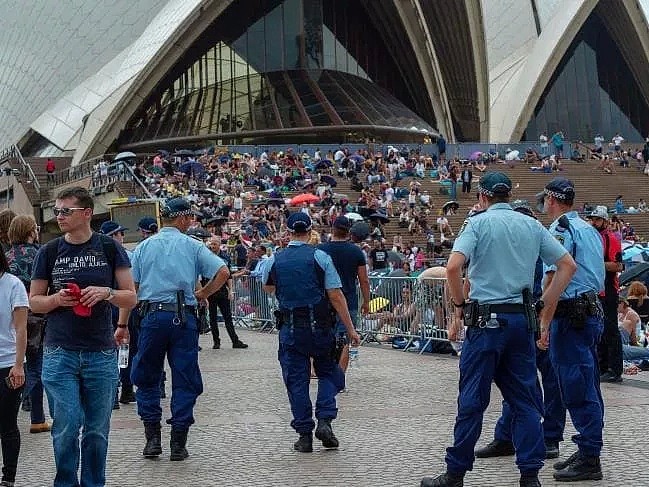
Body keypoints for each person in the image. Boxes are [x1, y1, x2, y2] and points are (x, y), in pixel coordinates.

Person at [421, 172, 576, 487]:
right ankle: (530, 475)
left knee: (472, 400)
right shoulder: (531, 224)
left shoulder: (477, 223)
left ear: (482, 197)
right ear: (507, 196)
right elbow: (567, 266)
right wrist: (544, 304)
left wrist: (460, 306)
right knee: (525, 401)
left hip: (486, 322)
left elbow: (453, 267)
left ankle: (455, 474)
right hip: (521, 321)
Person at [29, 186, 137, 487]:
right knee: (67, 425)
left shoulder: (108, 248)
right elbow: (33, 301)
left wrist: (107, 293)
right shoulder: (49, 251)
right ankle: (65, 483)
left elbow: (131, 297)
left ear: (86, 213)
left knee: (96, 430)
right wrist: (55, 301)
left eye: (66, 211)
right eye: (57, 210)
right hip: (59, 351)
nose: (59, 216)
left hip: (100, 352)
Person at [130, 197, 230, 461]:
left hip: (151, 315)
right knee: (185, 378)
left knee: (147, 376)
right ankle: (178, 442)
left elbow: (134, 286)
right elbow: (223, 271)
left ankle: (152, 439)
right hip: (182, 317)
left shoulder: (143, 247)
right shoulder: (192, 245)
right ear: (183, 218)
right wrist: (202, 293)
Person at [474, 200, 566, 462]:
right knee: (517, 382)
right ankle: (509, 436)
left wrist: (544, 321)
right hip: (525, 319)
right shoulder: (530, 245)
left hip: (536, 317)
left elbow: (552, 280)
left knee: (545, 381)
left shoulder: (536, 244)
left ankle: (548, 437)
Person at [262, 212, 360, 453]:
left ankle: (304, 435)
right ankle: (325, 419)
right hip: (321, 327)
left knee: (296, 380)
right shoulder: (320, 257)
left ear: (288, 231)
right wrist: (350, 329)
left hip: (291, 329)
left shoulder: (275, 259)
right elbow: (336, 296)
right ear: (310, 230)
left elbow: (268, 286)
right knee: (328, 372)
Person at [537, 177, 606, 482]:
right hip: (591, 311)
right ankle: (587, 446)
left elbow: (553, 277)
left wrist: (544, 320)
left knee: (576, 384)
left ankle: (590, 455)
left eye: (545, 199)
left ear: (551, 200)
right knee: (588, 382)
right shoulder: (588, 227)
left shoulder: (560, 229)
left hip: (571, 314)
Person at [5, 215, 50, 433]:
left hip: (10, 319)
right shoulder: (39, 255)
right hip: (37, 318)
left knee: (14, 364)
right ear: (30, 231)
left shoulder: (6, 257)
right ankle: (38, 417)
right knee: (36, 366)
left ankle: (12, 411)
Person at [318, 216, 370, 374]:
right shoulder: (356, 252)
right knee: (345, 339)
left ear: (332, 229)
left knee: (324, 336)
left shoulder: (320, 250)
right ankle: (339, 377)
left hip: (324, 301)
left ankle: (323, 372)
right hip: (349, 301)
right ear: (349, 231)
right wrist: (366, 302)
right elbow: (364, 280)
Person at [99, 219, 137, 407]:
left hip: (103, 307)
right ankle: (126, 389)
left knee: (108, 351)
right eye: (120, 233)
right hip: (121, 306)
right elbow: (132, 287)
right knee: (126, 348)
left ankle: (112, 394)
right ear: (114, 236)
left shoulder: (96, 255)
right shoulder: (125, 255)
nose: (122, 236)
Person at [0, 250, 28, 487]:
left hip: (8, 364)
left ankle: (8, 476)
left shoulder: (13, 285)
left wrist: (18, 364)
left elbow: (21, 328)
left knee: (7, 422)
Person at [588, 206, 624, 383]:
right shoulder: (591, 237)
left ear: (604, 221)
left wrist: (595, 263)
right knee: (598, 329)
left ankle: (614, 369)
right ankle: (602, 366)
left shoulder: (611, 238)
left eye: (597, 219)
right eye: (592, 219)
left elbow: (618, 265)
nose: (593, 222)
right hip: (595, 289)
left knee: (610, 329)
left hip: (608, 289)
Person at [205, 237, 248, 350]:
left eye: (215, 244)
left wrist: (231, 290)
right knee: (212, 317)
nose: (212, 246)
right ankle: (216, 341)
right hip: (210, 290)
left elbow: (228, 275)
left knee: (228, 317)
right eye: (211, 244)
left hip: (222, 290)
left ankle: (235, 341)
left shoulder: (225, 257)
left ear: (219, 245)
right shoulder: (206, 257)